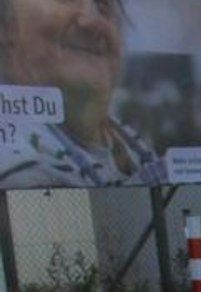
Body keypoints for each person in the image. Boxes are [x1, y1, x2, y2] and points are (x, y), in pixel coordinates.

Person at [0, 0, 165, 187]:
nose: (94, 22)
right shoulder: (18, 173)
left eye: (104, 6)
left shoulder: (129, 143)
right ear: (5, 26)